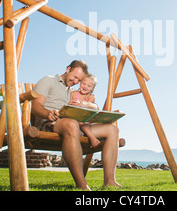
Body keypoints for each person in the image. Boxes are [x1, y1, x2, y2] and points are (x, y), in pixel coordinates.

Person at [31, 60, 121, 190]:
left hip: (74, 124)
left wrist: (88, 106)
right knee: (72, 124)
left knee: (112, 130)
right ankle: (82, 185)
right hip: (50, 123)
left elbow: (92, 103)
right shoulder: (49, 80)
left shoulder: (73, 92)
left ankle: (110, 181)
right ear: (68, 69)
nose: (75, 82)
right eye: (74, 77)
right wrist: (48, 113)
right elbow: (35, 106)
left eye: (78, 80)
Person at [69, 74, 101, 149]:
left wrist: (81, 105)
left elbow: (87, 109)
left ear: (92, 88)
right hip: (74, 116)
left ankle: (91, 137)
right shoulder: (73, 93)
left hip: (85, 118)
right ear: (80, 83)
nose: (85, 86)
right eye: (84, 84)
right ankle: (92, 137)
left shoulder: (91, 97)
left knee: (83, 119)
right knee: (78, 118)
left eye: (89, 86)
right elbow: (70, 105)